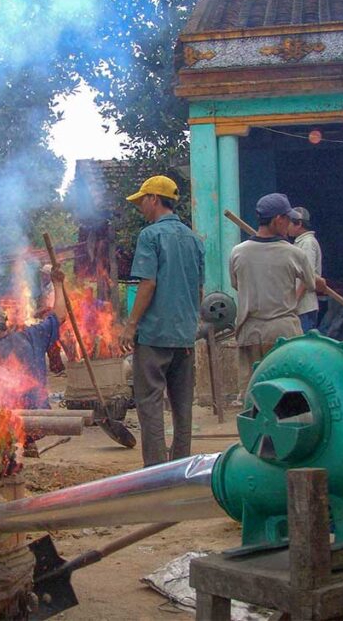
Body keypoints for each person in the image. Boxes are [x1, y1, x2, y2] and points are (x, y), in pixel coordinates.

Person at [119, 175, 204, 467]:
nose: (141, 206)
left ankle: (156, 475)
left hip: (154, 335)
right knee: (183, 408)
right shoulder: (194, 239)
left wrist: (130, 326)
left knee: (150, 406)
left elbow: (148, 284)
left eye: (142, 200)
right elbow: (199, 289)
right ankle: (181, 470)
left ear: (154, 199)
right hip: (184, 337)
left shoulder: (150, 236)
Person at [230, 193, 325, 396]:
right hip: (283, 334)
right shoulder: (293, 253)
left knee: (253, 394)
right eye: (288, 219)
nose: (289, 224)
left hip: (251, 332)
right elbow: (311, 283)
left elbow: (237, 285)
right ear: (277, 220)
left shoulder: (238, 252)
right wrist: (321, 283)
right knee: (287, 394)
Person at [0, 268, 66, 410]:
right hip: (39, 414)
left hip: (9, 423)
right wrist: (58, 285)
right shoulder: (32, 335)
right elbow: (60, 316)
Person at [289, 206, 323, 332]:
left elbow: (306, 275)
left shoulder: (308, 243)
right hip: (298, 307)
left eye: (289, 223)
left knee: (302, 346)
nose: (286, 227)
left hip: (304, 307)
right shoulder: (299, 243)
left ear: (298, 224)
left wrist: (295, 301)